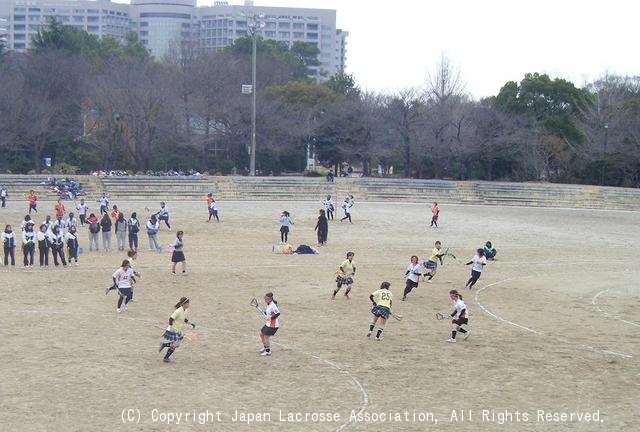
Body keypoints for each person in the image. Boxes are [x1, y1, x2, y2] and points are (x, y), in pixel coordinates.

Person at [159, 297, 195, 363]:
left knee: (176, 344)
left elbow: (184, 319)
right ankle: (166, 358)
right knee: (176, 344)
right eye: (187, 303)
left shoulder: (185, 310)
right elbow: (171, 318)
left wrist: (191, 323)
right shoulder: (178, 311)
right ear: (183, 304)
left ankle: (164, 345)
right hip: (174, 329)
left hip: (178, 330)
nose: (189, 304)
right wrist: (169, 327)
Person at [259, 292, 280, 356]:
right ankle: (265, 347)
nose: (265, 300)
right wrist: (265, 313)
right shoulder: (269, 304)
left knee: (266, 336)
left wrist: (271, 318)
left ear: (270, 299)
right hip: (268, 323)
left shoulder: (273, 305)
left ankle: (268, 351)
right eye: (265, 298)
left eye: (266, 298)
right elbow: (270, 313)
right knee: (261, 334)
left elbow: (277, 313)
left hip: (273, 325)